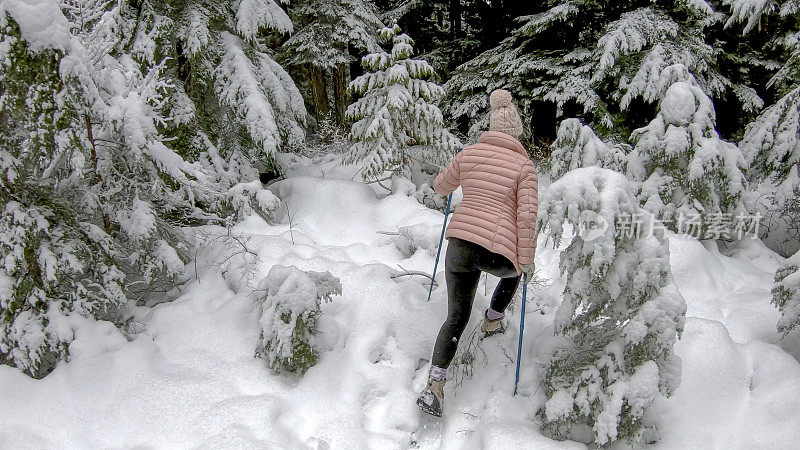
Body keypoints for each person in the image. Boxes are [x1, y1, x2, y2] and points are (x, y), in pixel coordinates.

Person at [416, 89, 538, 417]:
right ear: (515, 135)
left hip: (460, 245)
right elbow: (527, 217)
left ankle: (435, 387)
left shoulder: (469, 153)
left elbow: (441, 186)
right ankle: (493, 320)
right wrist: (525, 260)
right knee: (516, 271)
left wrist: (459, 170)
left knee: (456, 316)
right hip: (496, 254)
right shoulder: (524, 166)